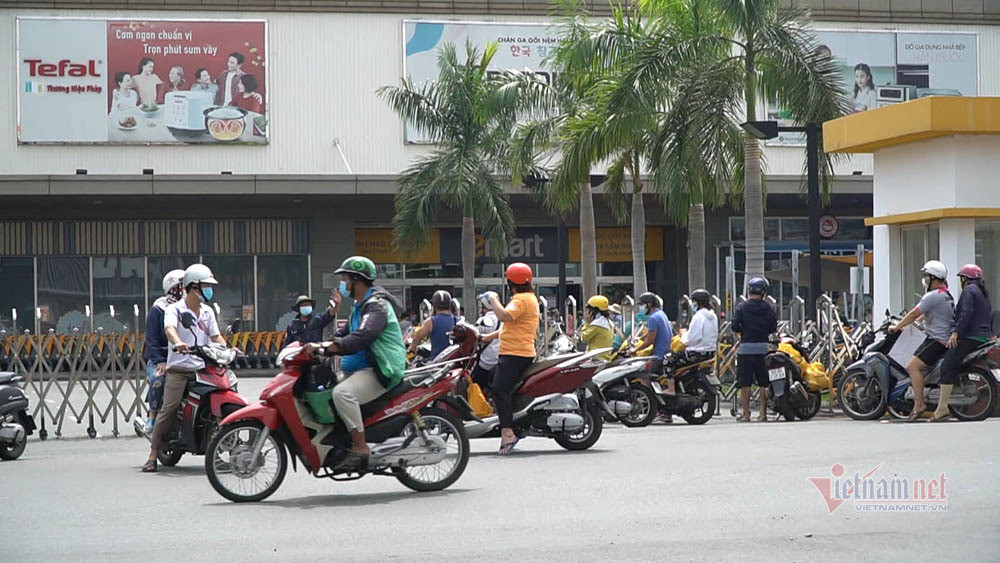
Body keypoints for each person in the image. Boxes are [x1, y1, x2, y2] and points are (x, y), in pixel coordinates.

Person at [307, 256, 406, 471]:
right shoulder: (360, 306)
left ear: (356, 280)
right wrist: (318, 345)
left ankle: (361, 447)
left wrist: (331, 347)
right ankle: (343, 442)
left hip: (381, 369)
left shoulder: (376, 307)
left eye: (345, 279)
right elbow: (344, 333)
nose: (343, 284)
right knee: (328, 392)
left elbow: (362, 336)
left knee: (342, 394)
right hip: (363, 368)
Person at [143, 264, 228, 473]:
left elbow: (215, 336)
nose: (209, 290)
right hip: (179, 369)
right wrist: (178, 342)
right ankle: (153, 455)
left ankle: (224, 450)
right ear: (193, 287)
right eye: (206, 286)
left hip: (203, 367)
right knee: (169, 408)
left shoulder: (207, 311)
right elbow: (169, 329)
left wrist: (228, 346)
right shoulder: (173, 310)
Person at [480, 263, 539, 455]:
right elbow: (511, 326)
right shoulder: (527, 298)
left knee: (499, 390)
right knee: (490, 377)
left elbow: (505, 316)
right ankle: (513, 418)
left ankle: (507, 433)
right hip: (515, 352)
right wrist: (487, 338)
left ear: (510, 282)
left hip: (516, 353)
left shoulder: (521, 300)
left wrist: (494, 299)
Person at [889, 260, 954, 422]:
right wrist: (917, 322)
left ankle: (919, 405)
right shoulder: (945, 295)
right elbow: (927, 314)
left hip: (937, 340)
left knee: (912, 367)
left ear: (933, 278)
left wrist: (897, 327)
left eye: (926, 276)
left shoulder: (932, 296)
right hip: (943, 338)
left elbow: (913, 313)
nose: (924, 279)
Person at [933, 265, 993, 422]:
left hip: (969, 337)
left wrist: (955, 333)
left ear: (964, 279)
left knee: (947, 366)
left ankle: (942, 408)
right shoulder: (982, 292)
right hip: (983, 337)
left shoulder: (968, 291)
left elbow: (965, 313)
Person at [140, 270, 185, 435]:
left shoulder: (189, 308)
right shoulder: (158, 309)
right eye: (182, 286)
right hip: (161, 359)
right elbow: (152, 341)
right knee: (159, 379)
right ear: (173, 287)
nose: (185, 290)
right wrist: (160, 361)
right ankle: (152, 416)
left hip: (184, 359)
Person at [732, 278, 778, 422]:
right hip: (764, 349)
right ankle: (763, 413)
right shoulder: (768, 308)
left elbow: (734, 326)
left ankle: (746, 413)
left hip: (745, 349)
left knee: (745, 383)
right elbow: (773, 327)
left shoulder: (742, 307)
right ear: (763, 292)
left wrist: (744, 330)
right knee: (763, 382)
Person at [631, 292, 672, 379]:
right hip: (666, 352)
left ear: (649, 304)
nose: (640, 308)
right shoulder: (661, 314)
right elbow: (651, 332)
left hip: (659, 355)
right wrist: (640, 338)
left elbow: (650, 340)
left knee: (645, 379)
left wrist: (635, 350)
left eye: (642, 305)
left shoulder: (653, 318)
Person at [409, 290, 456, 362]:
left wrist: (412, 348)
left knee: (415, 367)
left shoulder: (430, 321)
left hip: (437, 362)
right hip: (455, 361)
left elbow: (417, 337)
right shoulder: (458, 320)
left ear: (434, 305)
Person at [680, 289, 718, 363]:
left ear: (699, 302)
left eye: (693, 302)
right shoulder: (713, 316)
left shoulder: (698, 316)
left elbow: (693, 338)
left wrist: (683, 336)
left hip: (696, 353)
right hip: (710, 352)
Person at [472, 297, 501, 393]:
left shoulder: (484, 320)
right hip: (500, 359)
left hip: (487, 361)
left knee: (474, 387)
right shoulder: (504, 318)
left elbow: (475, 337)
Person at [579, 295, 615, 361]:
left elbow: (583, 338)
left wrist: (587, 322)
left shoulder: (597, 325)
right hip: (604, 358)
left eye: (589, 311)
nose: (587, 313)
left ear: (594, 312)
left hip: (596, 359)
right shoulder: (607, 323)